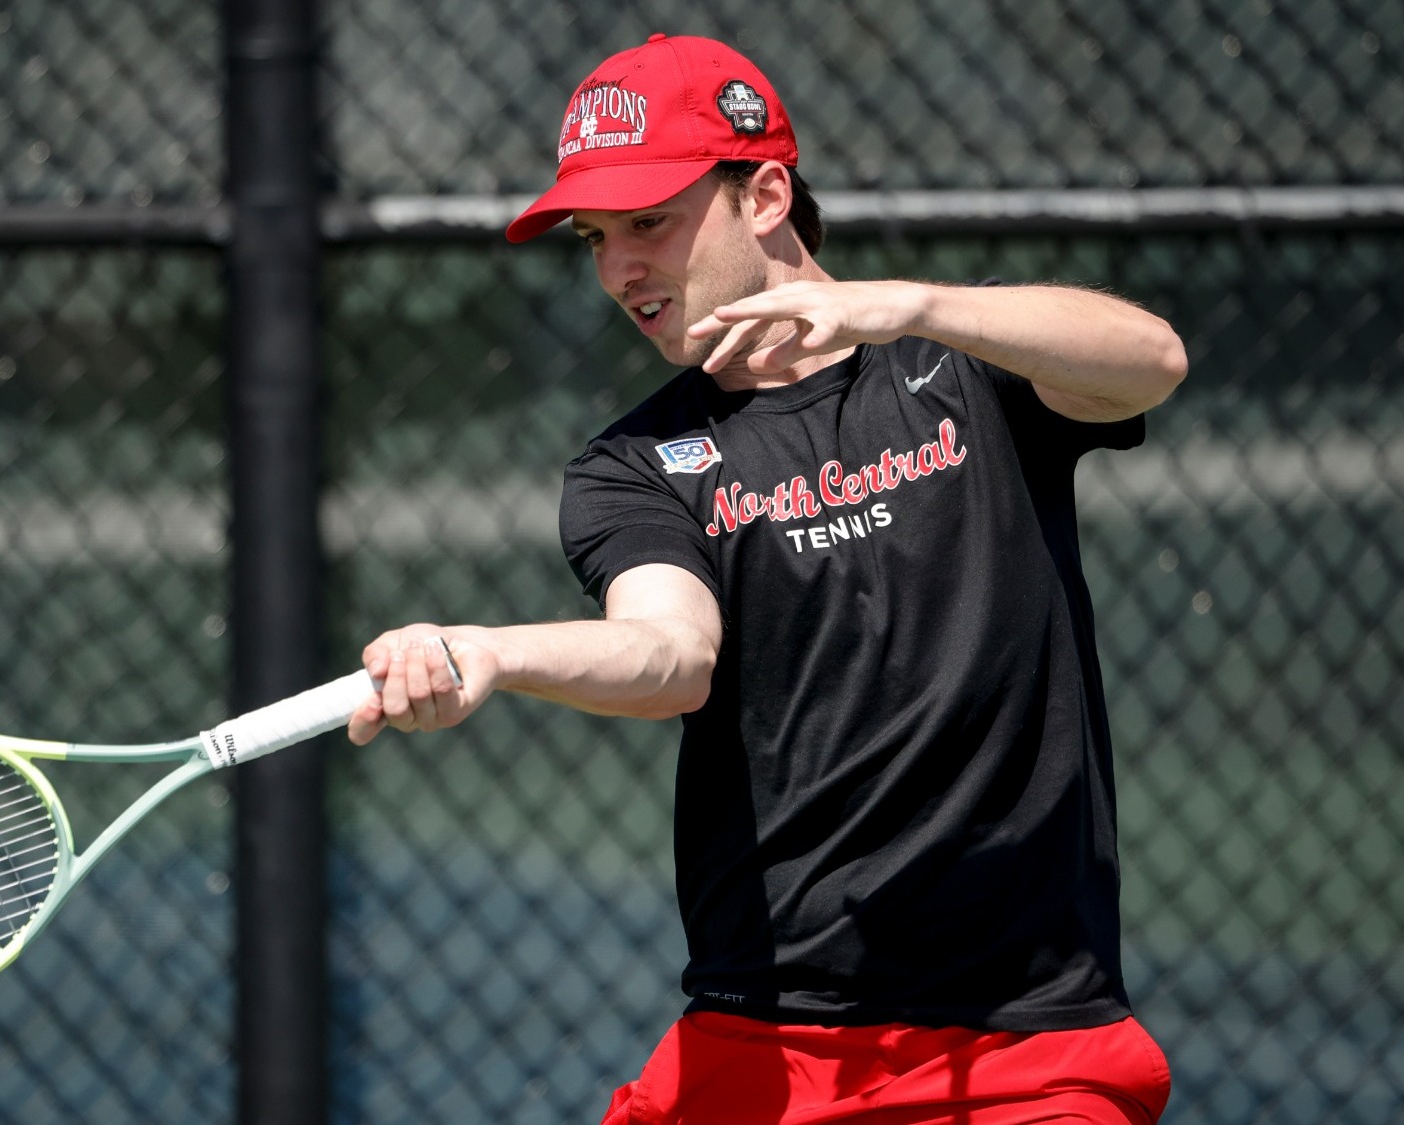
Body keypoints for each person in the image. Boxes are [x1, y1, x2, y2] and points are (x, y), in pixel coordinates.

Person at [345, 33, 1186, 1125]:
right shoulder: (632, 466)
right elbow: (669, 653)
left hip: (1025, 1052)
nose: (618, 270)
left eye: (647, 223)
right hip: (764, 1044)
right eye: (596, 239)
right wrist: (495, 654)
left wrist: (915, 307)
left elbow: (1149, 358)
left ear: (765, 196)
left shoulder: (967, 368)